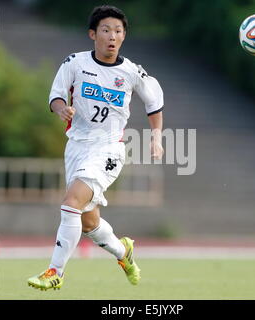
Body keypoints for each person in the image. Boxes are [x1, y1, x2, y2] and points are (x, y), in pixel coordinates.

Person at [28, 5, 164, 291]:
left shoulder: (131, 71)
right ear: (93, 34)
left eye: (118, 31)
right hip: (77, 147)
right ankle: (123, 252)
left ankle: (56, 271)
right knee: (89, 222)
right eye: (106, 30)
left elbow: (154, 101)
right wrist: (61, 109)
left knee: (71, 202)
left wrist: (156, 136)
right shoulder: (74, 63)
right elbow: (55, 96)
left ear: (124, 36)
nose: (112, 36)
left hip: (109, 149)